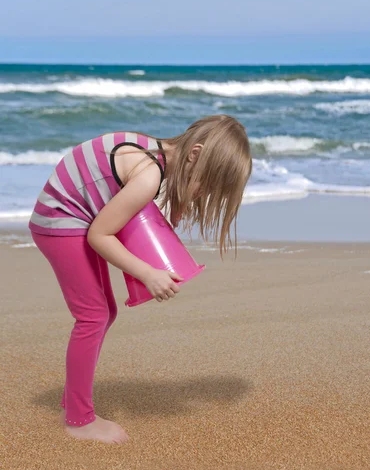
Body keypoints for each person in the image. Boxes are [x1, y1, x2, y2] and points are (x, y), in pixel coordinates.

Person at [29, 114, 252, 444]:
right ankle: (78, 420)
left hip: (77, 212)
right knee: (93, 316)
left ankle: (73, 396)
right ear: (195, 154)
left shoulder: (157, 152)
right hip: (60, 219)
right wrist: (148, 274)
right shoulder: (149, 175)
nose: (203, 193)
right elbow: (99, 235)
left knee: (105, 313)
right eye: (206, 184)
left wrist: (178, 206)